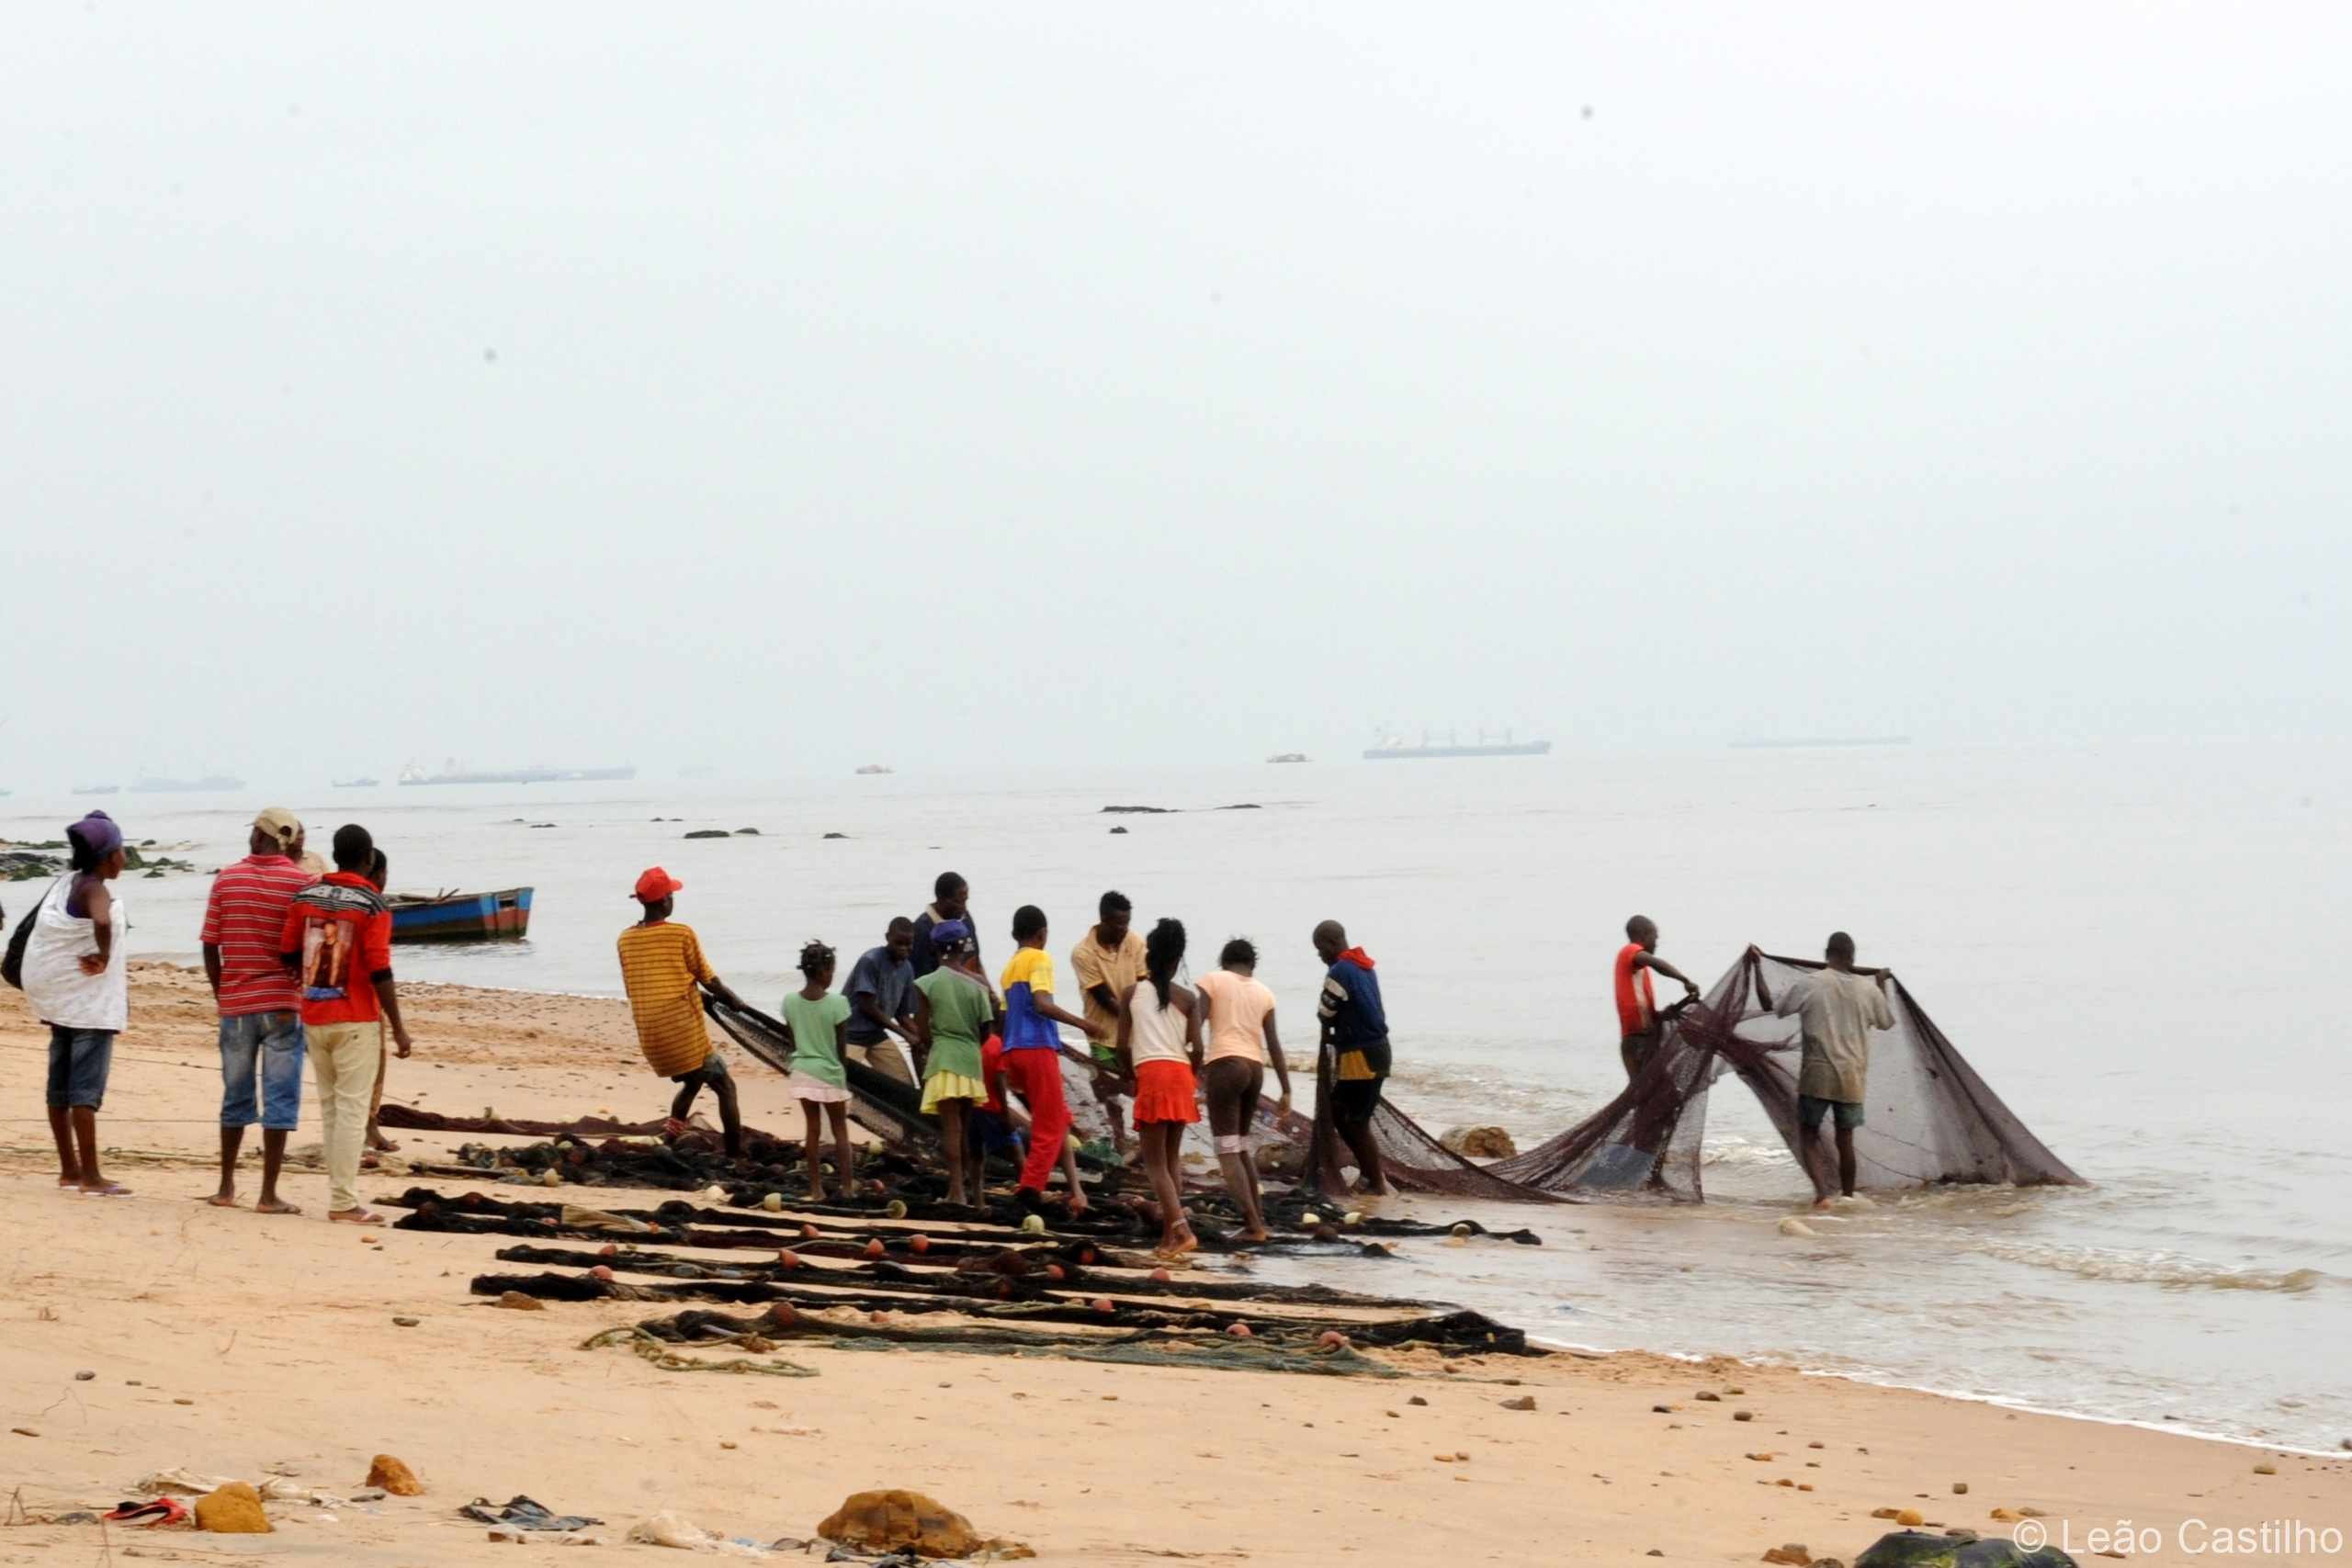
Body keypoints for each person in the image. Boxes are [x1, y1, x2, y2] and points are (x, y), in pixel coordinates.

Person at [277, 825, 413, 1224]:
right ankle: (342, 1201)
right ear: (369, 859)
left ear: (335, 855)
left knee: (332, 1108)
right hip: (355, 1018)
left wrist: (308, 985)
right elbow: (380, 969)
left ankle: (340, 1194)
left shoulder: (306, 895)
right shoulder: (372, 904)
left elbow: (287, 952)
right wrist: (399, 1027)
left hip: (315, 1016)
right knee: (352, 1111)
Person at [198, 807, 316, 1213]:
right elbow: (309, 946)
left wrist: (222, 994)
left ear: (257, 836)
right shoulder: (301, 882)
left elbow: (210, 944)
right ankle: (268, 1194)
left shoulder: (226, 878)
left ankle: (227, 1187)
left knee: (235, 1095)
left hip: (237, 1003)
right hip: (284, 1003)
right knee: (280, 1097)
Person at [23, 811, 132, 1197]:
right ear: (108, 856)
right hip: (88, 1007)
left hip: (61, 1003)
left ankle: (69, 1171)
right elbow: (102, 922)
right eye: (121, 850)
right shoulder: (94, 889)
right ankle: (91, 1176)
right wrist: (102, 956)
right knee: (84, 1094)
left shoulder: (69, 883)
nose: (125, 857)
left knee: (59, 1090)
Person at [616, 867, 751, 1158]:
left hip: (652, 1040)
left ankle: (671, 1135)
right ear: (664, 901)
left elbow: (639, 987)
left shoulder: (625, 940)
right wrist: (735, 1001)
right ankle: (734, 1157)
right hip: (681, 1034)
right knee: (726, 1087)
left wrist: (691, 993)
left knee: (694, 1079)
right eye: (671, 895)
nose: (673, 899)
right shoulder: (681, 934)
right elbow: (710, 980)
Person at [1768, 933, 1895, 1208]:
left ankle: (1823, 1195)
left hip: (1818, 1073)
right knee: (1845, 1140)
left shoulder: (1811, 983)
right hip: (1852, 1076)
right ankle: (1848, 1198)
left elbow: (1775, 1007)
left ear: (1827, 953)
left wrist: (1755, 965)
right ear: (1852, 957)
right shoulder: (1868, 989)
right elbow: (1884, 1020)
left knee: (1809, 1134)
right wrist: (1881, 983)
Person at [999, 904, 1106, 1212]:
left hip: (1013, 1052)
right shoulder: (1040, 958)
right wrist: (1085, 1024)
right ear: (1042, 935)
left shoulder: (1009, 968)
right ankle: (1029, 1189)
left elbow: (1004, 1017)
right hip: (1036, 1049)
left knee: (1057, 1119)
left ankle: (1076, 1192)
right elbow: (1042, 1004)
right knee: (1048, 1127)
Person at [1116, 918, 1204, 1258]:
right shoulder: (1189, 998)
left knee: (1154, 1166)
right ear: (1177, 960)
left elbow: (1123, 1046)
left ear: (1149, 954)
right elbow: (1198, 1049)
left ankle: (1181, 1230)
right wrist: (1190, 1076)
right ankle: (1168, 1238)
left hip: (1152, 1074)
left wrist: (1132, 1075)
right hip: (1181, 1074)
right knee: (1171, 1160)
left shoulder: (1131, 993)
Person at [1194, 936, 1289, 1241]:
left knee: (1225, 1149)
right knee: (1242, 1146)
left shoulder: (1214, 980)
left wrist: (1185, 1058)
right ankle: (1257, 1217)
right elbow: (1273, 1044)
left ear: (1224, 962)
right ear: (1251, 965)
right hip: (1254, 1069)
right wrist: (1286, 1089)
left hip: (1225, 1065)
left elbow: (1194, 1022)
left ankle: (1253, 1225)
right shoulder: (1264, 993)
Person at [911, 919, 1000, 1207]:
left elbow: (922, 1032)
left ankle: (956, 1192)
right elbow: (987, 1029)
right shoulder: (978, 985)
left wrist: (933, 1043)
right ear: (963, 946)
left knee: (951, 1128)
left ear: (934, 947)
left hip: (944, 1056)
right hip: (970, 1060)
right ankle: (973, 1193)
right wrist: (970, 1042)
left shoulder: (926, 984)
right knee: (965, 1126)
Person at [1313, 919, 1390, 1197]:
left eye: (1319, 949)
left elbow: (1325, 1011)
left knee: (1353, 1118)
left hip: (1362, 1053)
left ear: (1330, 944)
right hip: (1378, 1050)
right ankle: (1370, 1175)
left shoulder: (1340, 970)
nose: (1319, 955)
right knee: (1346, 1113)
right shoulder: (1363, 967)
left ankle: (1375, 1180)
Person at [1069, 890, 1146, 1157]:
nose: (1123, 930)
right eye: (1118, 925)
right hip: (1102, 1034)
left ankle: (1144, 1139)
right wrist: (1137, 1015)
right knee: (1109, 1093)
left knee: (1140, 1087)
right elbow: (1103, 998)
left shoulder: (1134, 942)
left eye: (1127, 924)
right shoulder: (1083, 952)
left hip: (1135, 1036)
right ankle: (1119, 1139)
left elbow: (1143, 984)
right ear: (1103, 920)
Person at [781, 940, 856, 1201]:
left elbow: (793, 1043)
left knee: (812, 1130)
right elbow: (841, 1048)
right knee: (840, 1131)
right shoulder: (838, 1004)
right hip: (829, 1072)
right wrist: (842, 1078)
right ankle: (847, 1187)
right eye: (831, 970)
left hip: (802, 1070)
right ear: (823, 970)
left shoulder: (790, 1002)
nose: (832, 976)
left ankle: (816, 1189)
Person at [1615, 915, 1702, 1079]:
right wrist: (1684, 980)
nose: (1656, 943)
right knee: (1652, 1095)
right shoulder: (1630, 951)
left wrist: (1660, 1014)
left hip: (1643, 1040)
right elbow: (1656, 963)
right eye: (1655, 937)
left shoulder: (1640, 970)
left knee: (1655, 1096)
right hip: (1636, 1042)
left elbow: (1640, 1009)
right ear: (1644, 936)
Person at [842, 917, 921, 1086]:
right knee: (844, 1082)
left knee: (903, 1084)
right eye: (899, 943)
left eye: (908, 944)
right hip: (850, 1034)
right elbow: (868, 1007)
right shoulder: (870, 960)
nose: (904, 949)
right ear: (887, 937)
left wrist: (920, 1036)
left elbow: (902, 1014)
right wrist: (905, 1035)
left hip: (876, 1035)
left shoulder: (907, 969)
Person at [910, 872, 978, 978]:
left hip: (972, 990)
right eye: (957, 902)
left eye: (965, 901)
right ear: (941, 898)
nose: (963, 907)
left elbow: (975, 962)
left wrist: (990, 991)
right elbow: (922, 979)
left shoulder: (965, 919)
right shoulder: (922, 929)